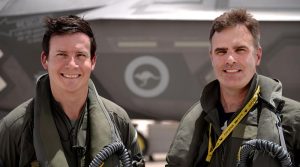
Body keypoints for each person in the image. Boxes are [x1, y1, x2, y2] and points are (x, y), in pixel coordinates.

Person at [0, 15, 144, 167]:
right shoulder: (15, 128)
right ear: (45, 59)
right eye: (62, 55)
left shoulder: (118, 121)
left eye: (80, 55)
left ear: (93, 61)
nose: (71, 64)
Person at [166, 9, 300, 167]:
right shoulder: (196, 120)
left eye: (240, 50)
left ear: (257, 56)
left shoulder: (292, 119)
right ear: (212, 58)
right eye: (221, 51)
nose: (230, 59)